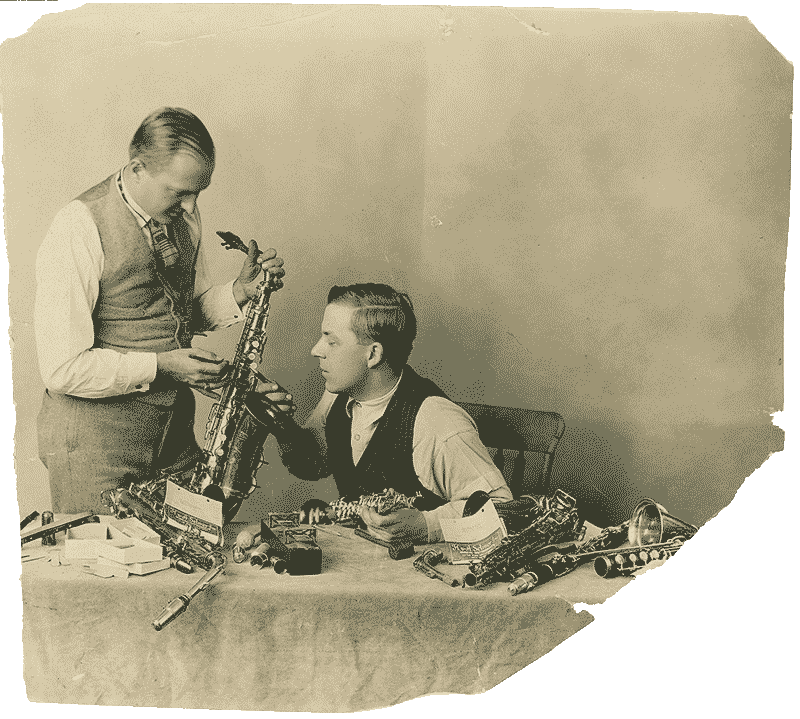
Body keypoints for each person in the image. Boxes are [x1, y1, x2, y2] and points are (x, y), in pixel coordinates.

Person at [35, 107, 286, 513]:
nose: (190, 206)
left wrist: (239, 292)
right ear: (138, 169)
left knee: (194, 549)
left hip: (172, 440)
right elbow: (62, 369)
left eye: (199, 192)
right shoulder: (77, 226)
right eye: (179, 192)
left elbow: (179, 314)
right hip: (95, 452)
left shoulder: (182, 215)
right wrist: (163, 366)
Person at [260, 283, 512, 544]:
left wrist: (426, 525)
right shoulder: (338, 394)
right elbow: (312, 465)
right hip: (362, 555)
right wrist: (281, 426)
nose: (316, 350)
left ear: (373, 354)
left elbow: (504, 509)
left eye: (331, 341)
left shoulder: (437, 421)